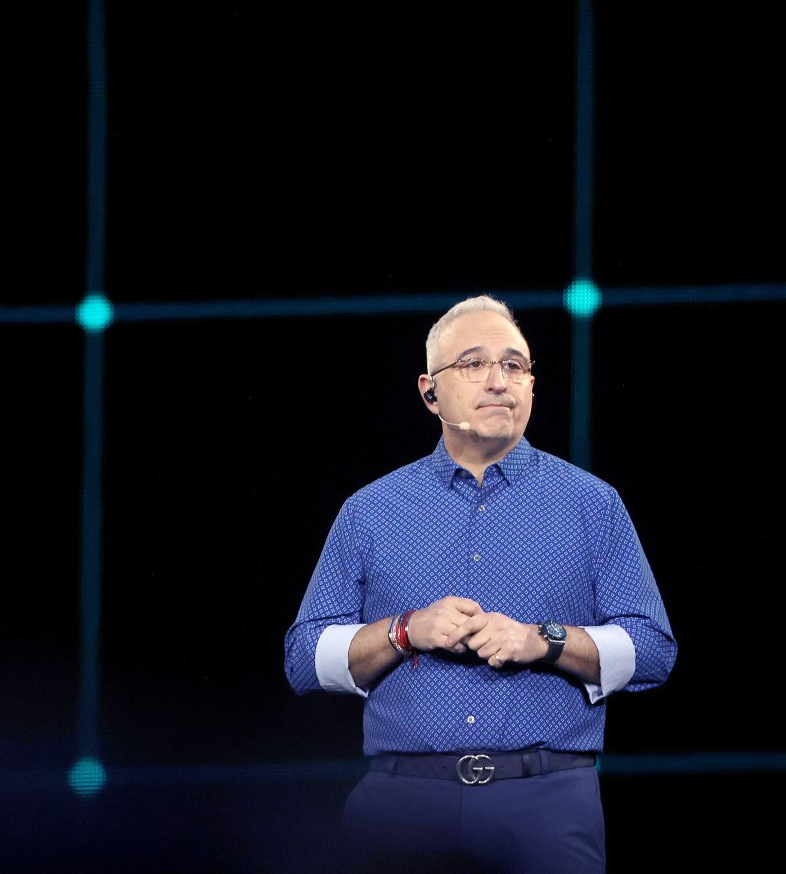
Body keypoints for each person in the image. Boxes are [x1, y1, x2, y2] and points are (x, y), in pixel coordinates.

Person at [283, 294, 677, 874]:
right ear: (429, 392)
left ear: (532, 387)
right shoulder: (369, 511)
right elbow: (301, 659)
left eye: (514, 365)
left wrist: (544, 640)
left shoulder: (594, 506)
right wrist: (404, 630)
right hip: (401, 804)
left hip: (547, 804)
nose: (499, 382)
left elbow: (654, 650)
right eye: (473, 364)